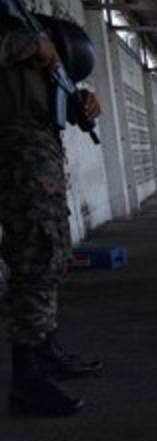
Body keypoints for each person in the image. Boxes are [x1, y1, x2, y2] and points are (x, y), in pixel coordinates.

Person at [1, 25, 104, 416]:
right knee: (34, 255)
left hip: (41, 155)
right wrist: (34, 44)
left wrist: (80, 100)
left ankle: (44, 352)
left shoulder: (33, 23)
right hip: (17, 155)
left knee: (51, 255)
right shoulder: (16, 24)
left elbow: (50, 88)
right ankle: (26, 380)